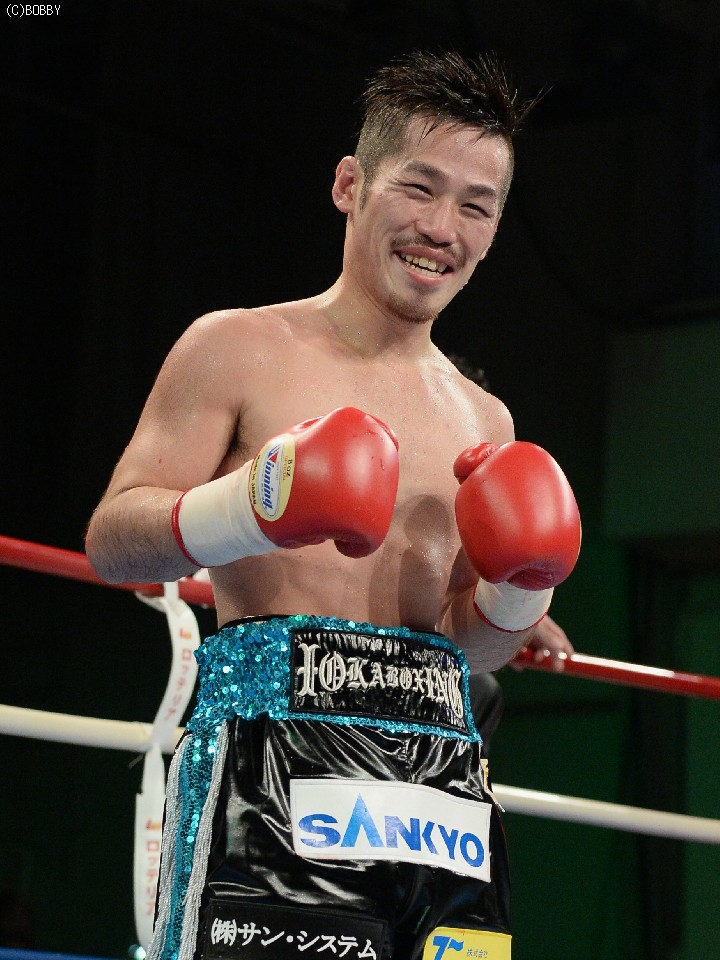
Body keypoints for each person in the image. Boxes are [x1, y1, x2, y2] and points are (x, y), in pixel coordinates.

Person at [86, 51, 581, 960]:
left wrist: (519, 595)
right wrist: (252, 505)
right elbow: (113, 542)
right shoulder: (237, 348)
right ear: (351, 184)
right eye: (419, 188)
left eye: (476, 206)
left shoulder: (485, 418)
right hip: (273, 772)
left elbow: (463, 649)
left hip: (440, 801)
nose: (442, 228)